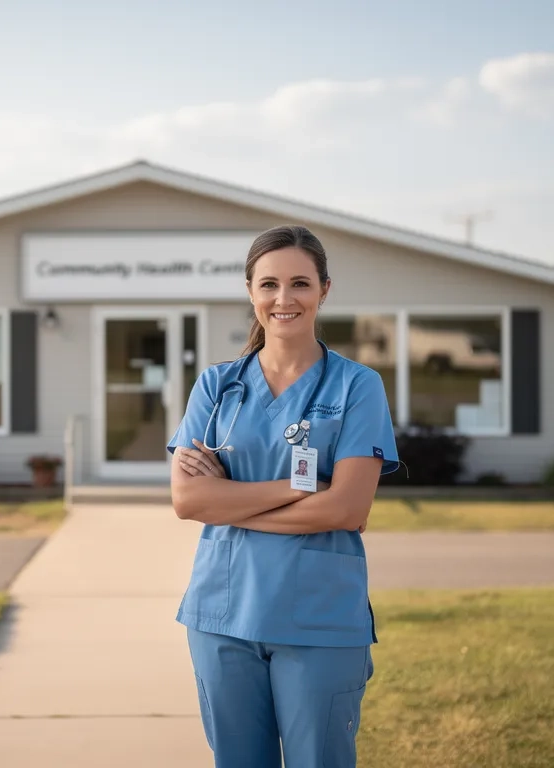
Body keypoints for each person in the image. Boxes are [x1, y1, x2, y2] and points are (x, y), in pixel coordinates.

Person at [168, 224, 400, 768]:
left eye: (299, 283)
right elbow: (188, 501)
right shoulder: (217, 387)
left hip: (319, 619)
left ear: (324, 289)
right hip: (222, 617)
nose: (283, 298)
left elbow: (347, 508)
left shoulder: (356, 386)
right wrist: (298, 489)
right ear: (251, 291)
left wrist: (232, 502)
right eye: (269, 284)